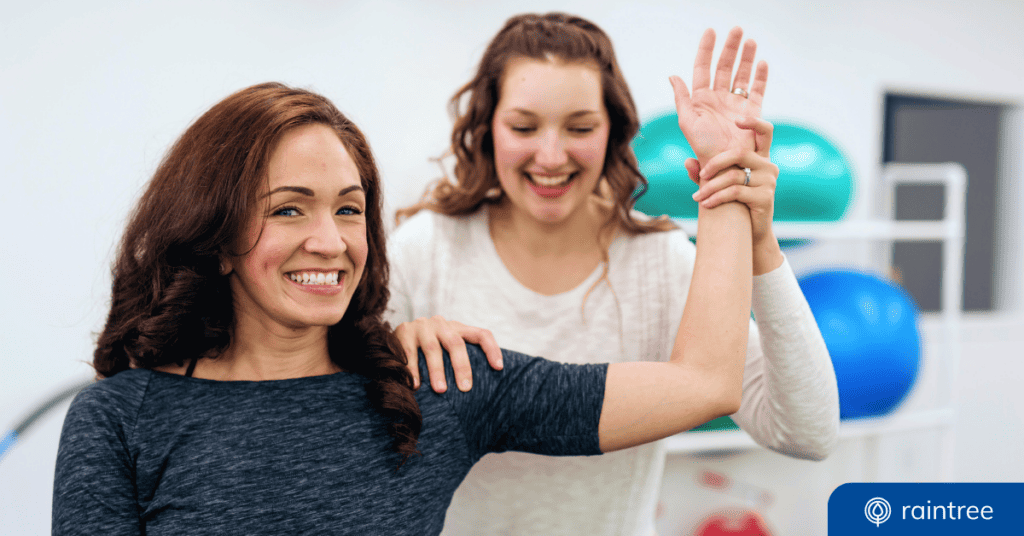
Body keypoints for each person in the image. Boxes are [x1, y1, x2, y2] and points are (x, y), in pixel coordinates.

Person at [52, 74, 755, 535]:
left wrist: (729, 186)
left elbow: (706, 382)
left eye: (349, 210)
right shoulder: (120, 420)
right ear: (218, 234)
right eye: (289, 210)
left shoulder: (435, 384)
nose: (330, 242)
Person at [388, 13, 839, 536]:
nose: (551, 156)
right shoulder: (426, 248)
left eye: (579, 128)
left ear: (613, 130)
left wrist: (758, 240)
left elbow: (808, 432)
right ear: (488, 127)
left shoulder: (660, 261)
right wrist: (389, 346)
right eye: (524, 127)